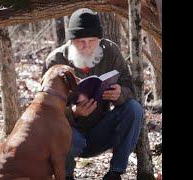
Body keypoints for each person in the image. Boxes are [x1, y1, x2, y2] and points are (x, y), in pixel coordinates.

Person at [42, 8, 143, 180]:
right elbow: (43, 112)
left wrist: (120, 93)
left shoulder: (110, 51)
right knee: (65, 134)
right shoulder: (55, 60)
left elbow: (130, 88)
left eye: (92, 41)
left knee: (134, 109)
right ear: (71, 40)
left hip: (101, 131)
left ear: (100, 39)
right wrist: (73, 112)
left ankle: (115, 173)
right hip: (69, 135)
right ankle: (65, 175)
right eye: (80, 41)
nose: (87, 46)